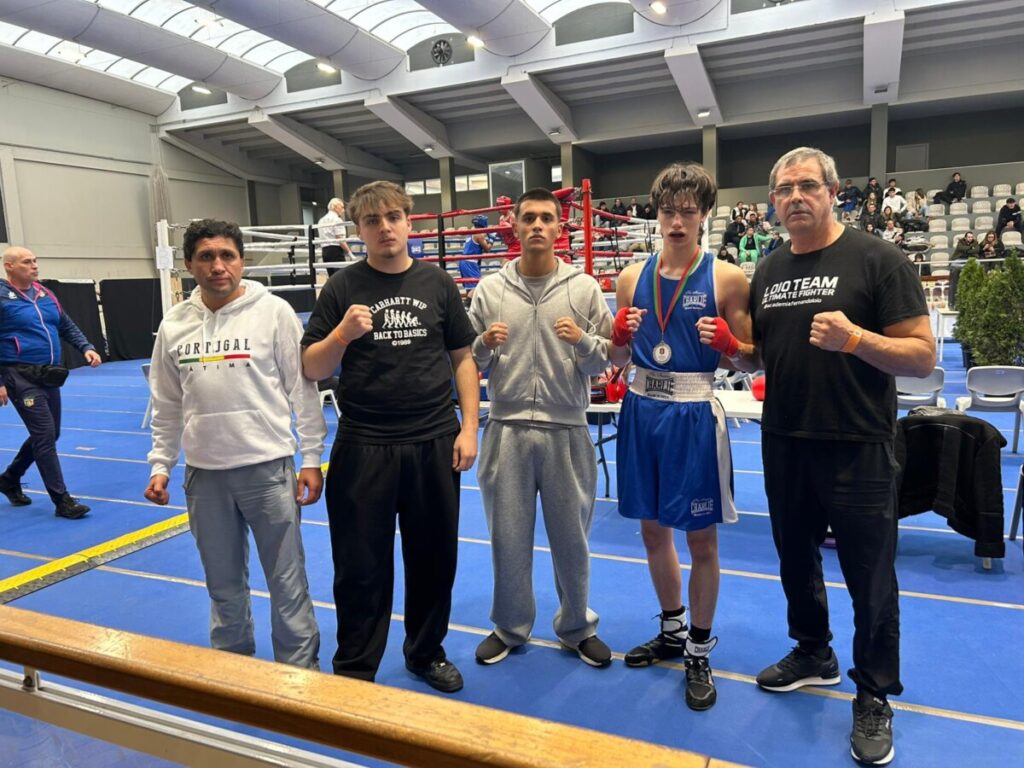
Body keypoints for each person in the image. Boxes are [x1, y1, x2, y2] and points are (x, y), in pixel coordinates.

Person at [740, 147, 934, 766]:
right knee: (794, 560)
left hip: (858, 445)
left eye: (807, 185)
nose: (795, 196)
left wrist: (856, 339)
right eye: (783, 189)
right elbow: (768, 357)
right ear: (772, 203)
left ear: (832, 192)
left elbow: (923, 356)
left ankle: (874, 690)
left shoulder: (878, 257)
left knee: (870, 578)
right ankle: (813, 651)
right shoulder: (767, 270)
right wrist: (733, 352)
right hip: (786, 441)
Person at [300, 180, 479, 694]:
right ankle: (356, 667)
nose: (385, 228)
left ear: (408, 221)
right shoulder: (341, 289)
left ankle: (426, 652)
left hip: (433, 442)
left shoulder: (438, 284)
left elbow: (463, 358)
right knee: (359, 565)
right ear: (358, 231)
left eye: (394, 217)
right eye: (373, 221)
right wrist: (341, 335)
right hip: (363, 445)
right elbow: (312, 367)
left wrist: (469, 427)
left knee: (434, 559)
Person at [144, 219, 326, 669]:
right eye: (206, 257)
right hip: (204, 477)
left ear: (242, 261)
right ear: (188, 265)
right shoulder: (174, 325)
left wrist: (312, 458)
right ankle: (233, 672)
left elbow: (302, 390)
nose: (218, 266)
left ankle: (299, 677)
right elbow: (166, 404)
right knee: (222, 585)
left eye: (227, 255)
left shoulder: (275, 312)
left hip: (268, 471)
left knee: (287, 584)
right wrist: (160, 465)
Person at [609, 162, 752, 711]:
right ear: (656, 214)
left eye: (687, 212)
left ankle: (698, 647)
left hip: (693, 413)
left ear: (704, 215)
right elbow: (618, 356)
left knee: (701, 541)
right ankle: (671, 630)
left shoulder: (728, 277)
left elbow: (754, 355)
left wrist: (732, 347)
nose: (676, 222)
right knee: (651, 533)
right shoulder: (629, 276)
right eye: (668, 211)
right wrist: (617, 337)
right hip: (642, 410)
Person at [468, 187, 614, 668]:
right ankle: (510, 626)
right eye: (527, 217)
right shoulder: (489, 290)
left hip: (566, 429)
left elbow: (613, 359)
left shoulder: (584, 288)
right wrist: (485, 345)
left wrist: (585, 341)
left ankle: (576, 626)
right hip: (505, 427)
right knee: (507, 536)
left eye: (546, 218)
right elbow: (466, 360)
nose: (536, 225)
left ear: (559, 227)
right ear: (513, 223)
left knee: (572, 538)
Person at [0, 247, 100, 519]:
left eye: (35, 261)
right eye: (27, 262)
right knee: (44, 436)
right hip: (18, 376)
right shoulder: (2, 296)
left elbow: (65, 325)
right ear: (9, 266)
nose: (34, 266)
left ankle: (10, 478)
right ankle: (62, 500)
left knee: (51, 433)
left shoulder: (45, 294)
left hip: (48, 375)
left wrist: (85, 347)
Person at [459, 214, 492, 299]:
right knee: (476, 286)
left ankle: (468, 307)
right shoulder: (478, 235)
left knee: (470, 287)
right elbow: (487, 249)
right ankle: (468, 305)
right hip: (470, 262)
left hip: (464, 261)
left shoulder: (472, 232)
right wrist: (492, 239)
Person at [317, 198, 352, 275]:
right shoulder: (337, 220)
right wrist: (349, 252)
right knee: (340, 277)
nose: (343, 210)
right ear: (335, 207)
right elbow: (339, 239)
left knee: (332, 278)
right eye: (342, 207)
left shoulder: (321, 220)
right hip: (335, 251)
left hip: (325, 251)